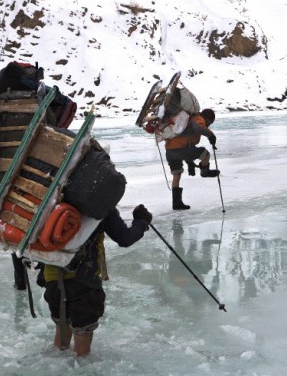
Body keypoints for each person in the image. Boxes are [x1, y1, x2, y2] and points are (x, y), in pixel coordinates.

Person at [40, 204, 153, 356]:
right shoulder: (99, 203)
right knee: (83, 336)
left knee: (62, 326)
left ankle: (58, 364)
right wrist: (141, 221)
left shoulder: (52, 200)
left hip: (52, 276)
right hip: (83, 280)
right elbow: (125, 238)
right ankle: (81, 368)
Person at [164, 108, 220, 210]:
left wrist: (189, 162)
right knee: (205, 154)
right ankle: (205, 172)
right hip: (180, 149)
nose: (208, 125)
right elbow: (198, 128)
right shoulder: (198, 119)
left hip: (170, 151)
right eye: (209, 123)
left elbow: (185, 142)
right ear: (208, 119)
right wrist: (211, 135)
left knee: (176, 175)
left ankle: (176, 203)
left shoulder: (188, 119)